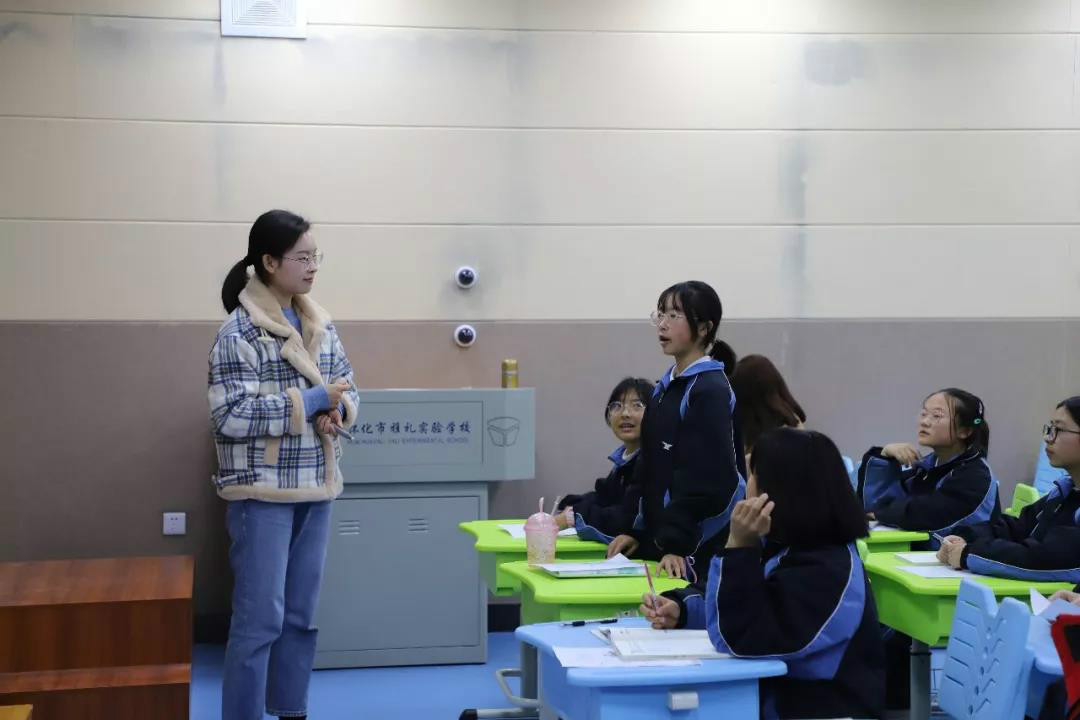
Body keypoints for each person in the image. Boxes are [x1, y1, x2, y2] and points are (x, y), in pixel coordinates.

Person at [208, 209, 360, 720]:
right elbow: (229, 415)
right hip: (261, 494)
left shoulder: (320, 322)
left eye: (316, 257)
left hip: (316, 486)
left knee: (300, 617)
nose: (313, 266)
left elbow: (347, 385)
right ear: (270, 262)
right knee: (258, 623)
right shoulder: (238, 332)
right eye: (302, 257)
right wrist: (311, 401)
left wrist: (338, 410)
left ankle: (291, 710)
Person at [643, 428, 885, 719]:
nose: (747, 485)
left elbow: (741, 637)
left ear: (779, 489)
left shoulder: (826, 568)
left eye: (754, 475)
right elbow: (747, 602)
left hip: (824, 711)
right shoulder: (788, 544)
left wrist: (738, 546)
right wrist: (683, 610)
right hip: (782, 702)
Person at [607, 281, 745, 582]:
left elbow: (707, 480)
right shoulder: (665, 388)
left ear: (704, 328)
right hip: (665, 543)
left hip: (697, 548)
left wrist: (677, 545)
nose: (663, 324)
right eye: (660, 315)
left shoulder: (709, 389)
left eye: (674, 316)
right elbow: (648, 466)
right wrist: (636, 531)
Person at [555, 377, 652, 543]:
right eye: (617, 406)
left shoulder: (652, 461)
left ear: (655, 413)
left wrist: (572, 517)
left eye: (637, 405)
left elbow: (626, 518)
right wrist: (570, 506)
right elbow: (604, 497)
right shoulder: (624, 460)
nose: (625, 414)